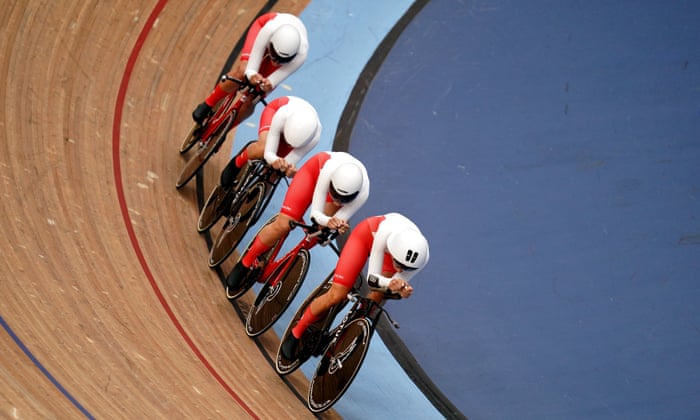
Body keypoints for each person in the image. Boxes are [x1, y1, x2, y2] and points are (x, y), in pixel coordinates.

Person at [280, 212, 429, 359]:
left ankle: (343, 337)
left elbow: (396, 282)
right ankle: (296, 332)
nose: (401, 270)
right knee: (336, 295)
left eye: (406, 268)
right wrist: (390, 282)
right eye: (399, 265)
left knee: (375, 301)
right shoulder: (385, 232)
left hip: (392, 256)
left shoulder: (421, 258)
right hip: (366, 238)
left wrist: (401, 290)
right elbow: (372, 278)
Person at [225, 151, 370, 298]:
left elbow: (339, 218)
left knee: (320, 233)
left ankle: (279, 268)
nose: (338, 201)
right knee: (283, 224)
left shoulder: (363, 193)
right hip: (313, 174)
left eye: (343, 199)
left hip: (332, 193)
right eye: (336, 195)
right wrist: (328, 220)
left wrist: (336, 223)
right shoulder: (328, 169)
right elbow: (315, 214)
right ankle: (246, 262)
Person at [192, 12, 309, 126]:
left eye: (281, 60)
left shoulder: (300, 55)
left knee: (254, 97)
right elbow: (251, 68)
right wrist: (252, 74)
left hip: (282, 49)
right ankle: (208, 104)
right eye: (274, 55)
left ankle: (223, 130)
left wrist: (267, 84)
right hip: (261, 28)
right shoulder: (268, 30)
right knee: (242, 72)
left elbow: (273, 81)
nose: (276, 61)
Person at [216, 96, 321, 198]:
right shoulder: (282, 115)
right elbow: (268, 153)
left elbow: (289, 160)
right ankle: (237, 163)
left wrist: (287, 168)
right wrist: (274, 159)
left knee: (276, 173)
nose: (288, 145)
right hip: (275, 110)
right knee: (263, 147)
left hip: (296, 133)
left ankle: (250, 204)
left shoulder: (314, 138)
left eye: (291, 145)